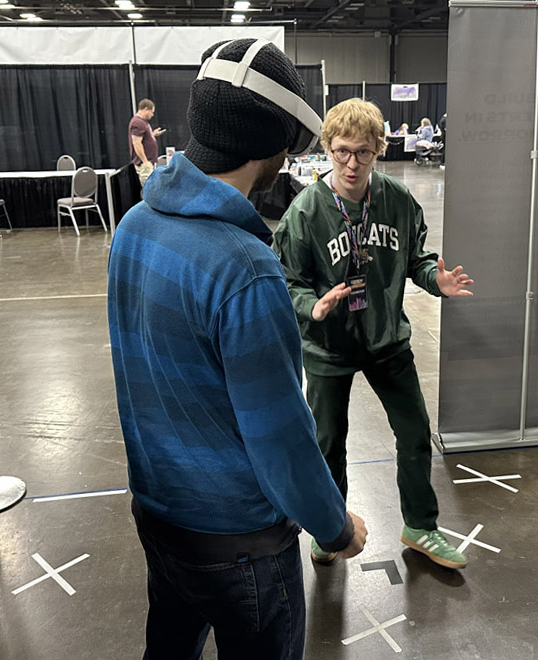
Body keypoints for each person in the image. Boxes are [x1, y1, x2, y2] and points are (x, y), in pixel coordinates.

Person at [107, 39, 368, 660]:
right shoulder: (248, 270)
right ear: (272, 149)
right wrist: (335, 526)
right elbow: (280, 437)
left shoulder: (132, 229)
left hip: (160, 519)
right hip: (242, 547)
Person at [273, 98, 474, 571]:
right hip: (328, 348)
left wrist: (435, 280)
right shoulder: (305, 212)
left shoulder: (397, 201)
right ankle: (329, 529)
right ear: (327, 149)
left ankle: (420, 527)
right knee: (328, 444)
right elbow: (286, 281)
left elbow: (416, 259)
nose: (351, 163)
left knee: (414, 433)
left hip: (387, 340)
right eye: (341, 151)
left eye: (363, 152)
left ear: (379, 150)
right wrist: (312, 305)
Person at [129, 98, 164, 185]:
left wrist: (152, 134)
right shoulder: (138, 122)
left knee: (150, 188)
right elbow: (136, 143)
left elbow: (142, 139)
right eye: (152, 112)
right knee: (148, 189)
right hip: (145, 163)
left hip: (147, 162)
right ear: (146, 109)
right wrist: (145, 161)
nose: (152, 115)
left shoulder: (142, 122)